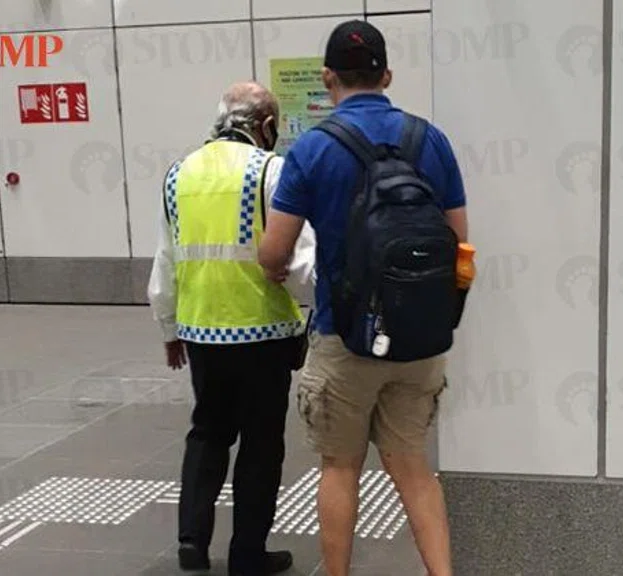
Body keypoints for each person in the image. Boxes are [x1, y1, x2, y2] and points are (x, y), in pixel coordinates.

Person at [257, 20, 467, 576]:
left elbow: (275, 251)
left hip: (344, 335)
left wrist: (276, 266)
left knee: (340, 467)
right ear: (387, 75)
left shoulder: (313, 149)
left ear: (329, 79)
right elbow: (460, 243)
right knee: (413, 468)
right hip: (419, 338)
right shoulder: (430, 140)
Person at [148, 81, 316, 576]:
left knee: (208, 433)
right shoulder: (272, 170)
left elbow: (165, 261)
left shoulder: (179, 174)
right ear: (266, 127)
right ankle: (246, 554)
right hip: (263, 334)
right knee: (261, 445)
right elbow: (303, 263)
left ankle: (192, 545)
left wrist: (168, 328)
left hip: (201, 333)